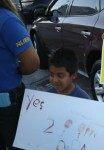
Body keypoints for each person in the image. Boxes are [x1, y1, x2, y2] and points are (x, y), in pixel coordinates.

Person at [0, 0, 40, 149]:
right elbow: (31, 63)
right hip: (7, 106)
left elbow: (32, 63)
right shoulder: (7, 20)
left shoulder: (6, 20)